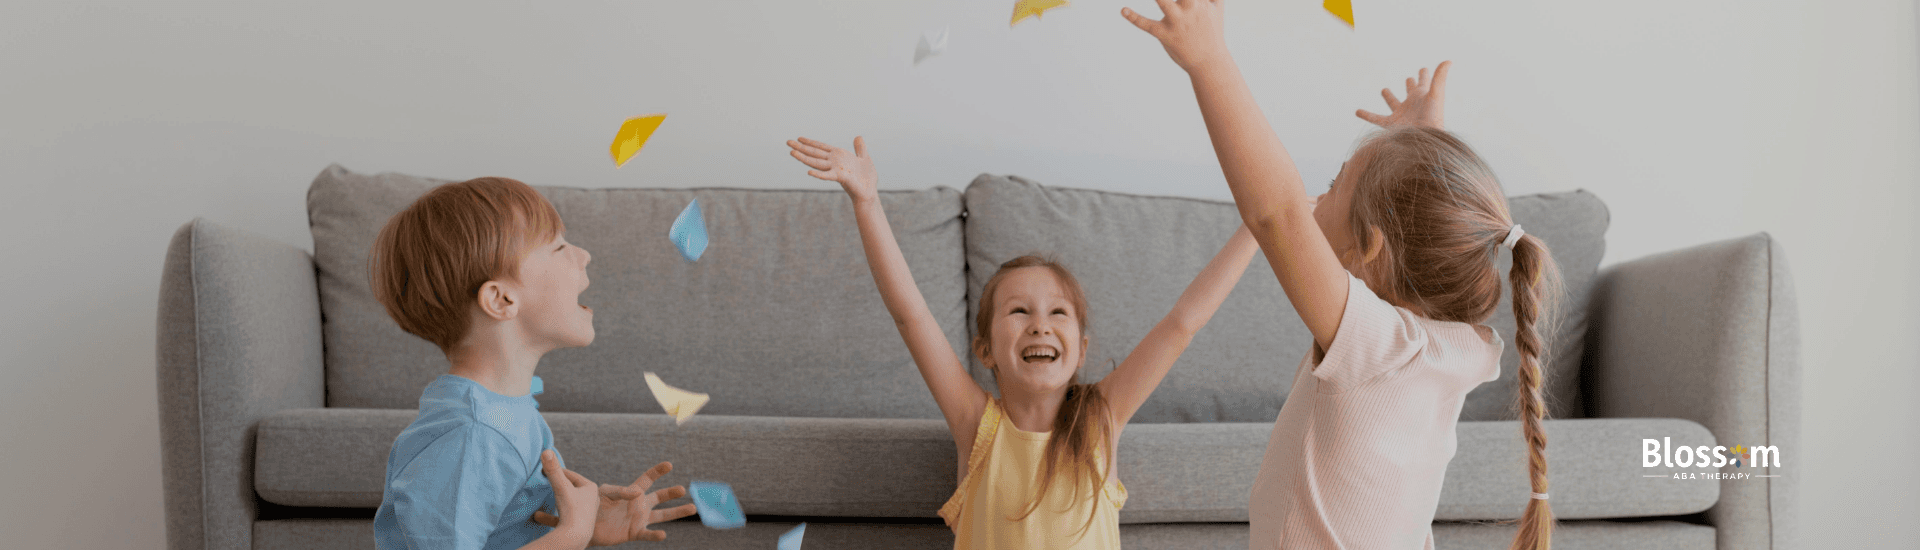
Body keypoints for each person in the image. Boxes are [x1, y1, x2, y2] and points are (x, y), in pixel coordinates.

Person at [1123, 2, 1563, 548]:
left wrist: (1209, 61)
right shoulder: (1459, 349)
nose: (1319, 197)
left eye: (1335, 184)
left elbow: (1276, 213)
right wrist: (1420, 145)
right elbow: (1430, 236)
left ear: (1368, 250)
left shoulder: (1378, 350)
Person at [786, 135, 1260, 548]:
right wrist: (867, 202)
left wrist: (1257, 227)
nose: (1040, 325)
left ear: (1082, 349)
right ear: (985, 350)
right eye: (1019, 311)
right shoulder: (978, 425)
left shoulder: (1101, 419)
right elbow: (911, 315)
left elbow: (1181, 325)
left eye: (1058, 312)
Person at [368, 177, 696, 549]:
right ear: (502, 300)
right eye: (558, 247)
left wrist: (577, 526)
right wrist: (570, 536)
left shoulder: (504, 414)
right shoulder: (473, 434)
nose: (584, 255)